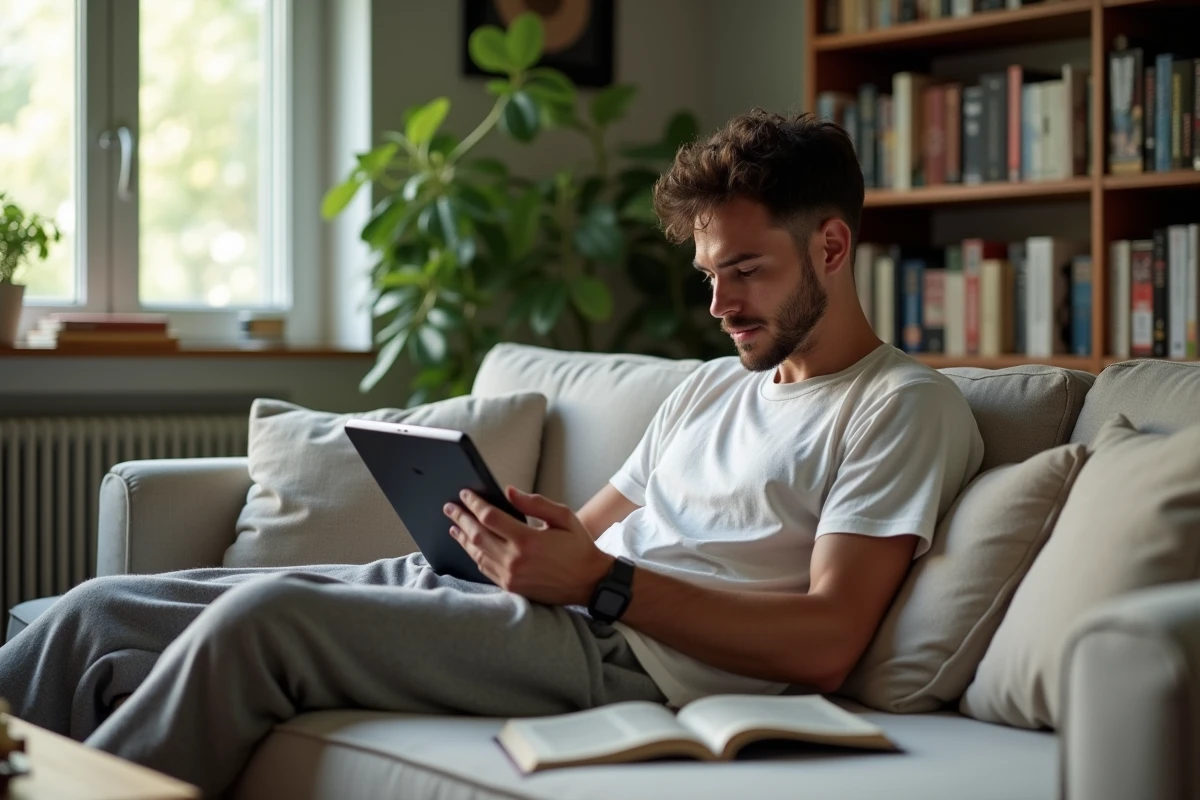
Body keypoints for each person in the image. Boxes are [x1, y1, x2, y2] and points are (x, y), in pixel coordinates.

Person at [0, 110, 983, 796]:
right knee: (98, 608)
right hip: (544, 600)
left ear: (831, 246)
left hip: (626, 653)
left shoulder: (899, 406)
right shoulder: (709, 386)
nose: (720, 304)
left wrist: (596, 581)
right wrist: (525, 532)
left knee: (267, 619)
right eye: (708, 275)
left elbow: (824, 638)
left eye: (745, 271)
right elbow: (590, 531)